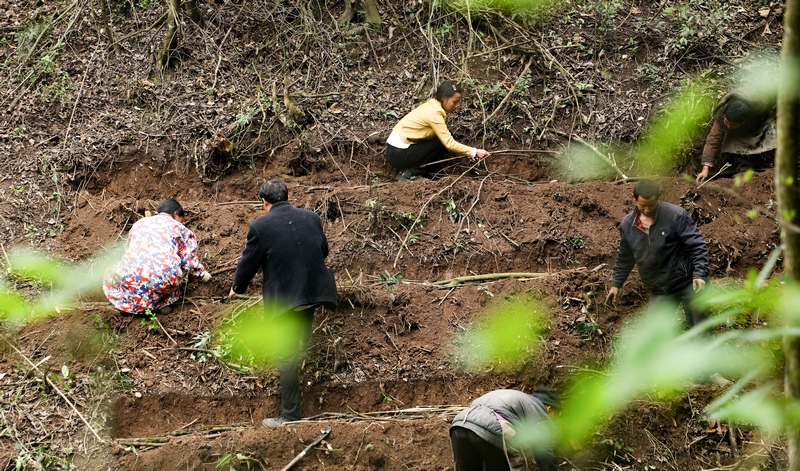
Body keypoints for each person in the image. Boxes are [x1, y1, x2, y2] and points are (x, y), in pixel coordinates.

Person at [228, 179, 338, 426]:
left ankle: (290, 415)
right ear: (287, 196)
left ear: (264, 202)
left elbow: (249, 262)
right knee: (303, 321)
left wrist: (237, 288)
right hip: (315, 292)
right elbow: (323, 250)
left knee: (285, 356)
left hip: (288, 299)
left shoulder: (260, 226)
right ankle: (306, 350)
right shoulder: (311, 217)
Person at [605, 179, 710, 327]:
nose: (647, 210)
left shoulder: (675, 216)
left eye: (651, 205)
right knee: (653, 335)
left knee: (701, 331)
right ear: (634, 199)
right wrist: (616, 283)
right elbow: (625, 256)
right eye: (642, 205)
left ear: (658, 198)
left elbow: (697, 245)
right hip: (661, 288)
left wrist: (699, 273)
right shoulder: (628, 225)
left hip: (688, 282)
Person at [103, 199, 211, 315]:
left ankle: (127, 304)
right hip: (163, 281)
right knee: (171, 273)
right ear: (176, 213)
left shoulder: (139, 224)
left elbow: (128, 252)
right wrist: (202, 275)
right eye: (181, 220)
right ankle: (162, 303)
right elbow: (188, 263)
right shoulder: (181, 229)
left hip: (132, 277)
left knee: (112, 272)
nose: (181, 223)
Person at [386, 80, 490, 181]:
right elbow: (449, 143)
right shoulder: (435, 113)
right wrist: (473, 151)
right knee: (439, 142)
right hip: (397, 153)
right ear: (444, 98)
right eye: (455, 102)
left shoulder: (433, 105)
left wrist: (469, 153)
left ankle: (423, 171)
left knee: (438, 141)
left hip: (396, 150)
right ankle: (409, 174)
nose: (457, 106)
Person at [450, 387, 559, 471]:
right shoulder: (537, 408)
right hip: (491, 425)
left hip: (459, 424)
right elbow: (543, 450)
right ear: (549, 408)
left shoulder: (517, 397)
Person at [696, 88, 776, 182]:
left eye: (733, 125)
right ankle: (744, 171)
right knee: (736, 139)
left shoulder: (760, 105)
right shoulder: (722, 113)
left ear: (743, 121)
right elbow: (714, 139)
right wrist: (705, 169)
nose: (728, 126)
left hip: (761, 116)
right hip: (745, 125)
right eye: (726, 122)